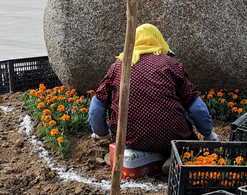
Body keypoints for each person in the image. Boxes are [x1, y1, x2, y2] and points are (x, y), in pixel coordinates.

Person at [88, 24, 216, 159]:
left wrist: (102, 133)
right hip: (173, 138)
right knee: (189, 145)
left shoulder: (118, 67)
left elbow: (96, 109)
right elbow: (196, 108)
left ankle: (136, 157)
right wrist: (208, 134)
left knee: (128, 142)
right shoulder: (171, 65)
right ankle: (174, 157)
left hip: (129, 139)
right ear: (158, 40)